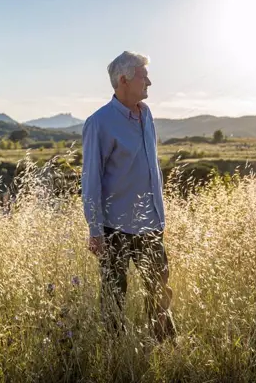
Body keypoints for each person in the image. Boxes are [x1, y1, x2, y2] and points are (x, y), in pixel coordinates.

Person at [81, 51, 175, 341]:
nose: (149, 81)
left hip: (150, 224)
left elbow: (151, 168)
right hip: (114, 228)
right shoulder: (99, 123)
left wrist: (160, 218)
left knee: (160, 292)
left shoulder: (146, 114)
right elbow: (91, 180)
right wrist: (95, 230)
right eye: (143, 76)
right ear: (124, 80)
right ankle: (115, 355)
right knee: (113, 298)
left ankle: (164, 347)